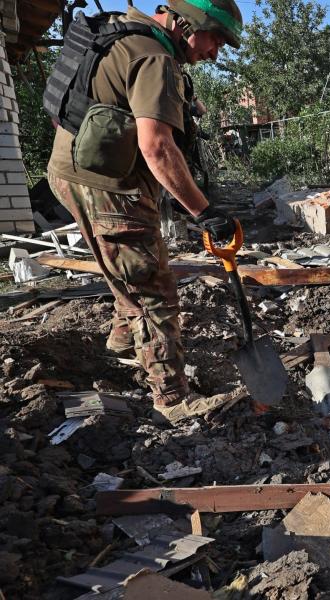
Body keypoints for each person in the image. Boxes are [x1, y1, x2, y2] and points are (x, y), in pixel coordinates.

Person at [45, 0, 244, 424]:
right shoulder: (155, 58)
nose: (215, 53)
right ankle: (172, 398)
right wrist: (204, 212)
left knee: (124, 264)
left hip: (68, 172)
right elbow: (157, 148)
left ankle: (121, 342)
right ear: (189, 23)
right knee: (154, 289)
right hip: (109, 187)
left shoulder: (118, 33)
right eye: (216, 39)